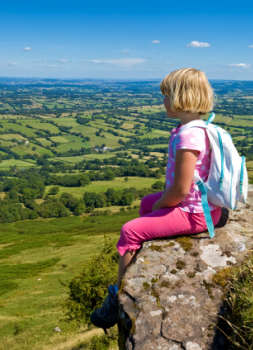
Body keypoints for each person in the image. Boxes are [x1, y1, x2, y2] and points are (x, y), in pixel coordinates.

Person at [90, 68, 223, 329]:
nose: (162, 101)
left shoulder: (188, 135)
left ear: (179, 97)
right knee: (145, 204)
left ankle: (119, 297)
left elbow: (180, 190)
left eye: (166, 95)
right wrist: (155, 208)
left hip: (194, 212)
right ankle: (140, 257)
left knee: (129, 230)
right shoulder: (198, 127)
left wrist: (161, 207)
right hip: (200, 204)